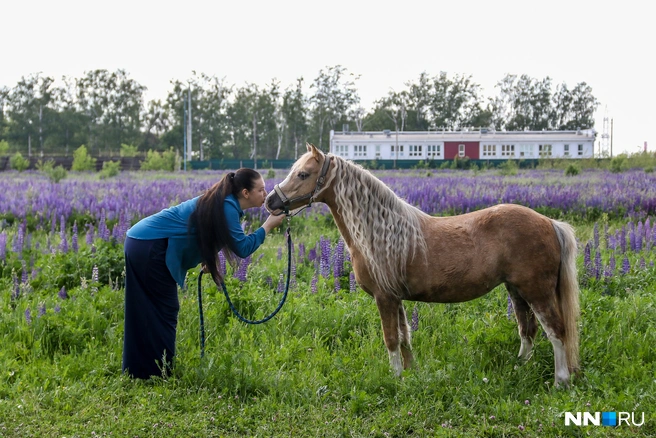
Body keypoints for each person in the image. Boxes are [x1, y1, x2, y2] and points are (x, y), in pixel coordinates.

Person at [122, 168, 285, 379]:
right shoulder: (227, 207)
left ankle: (140, 370)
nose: (265, 195)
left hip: (140, 241)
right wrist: (267, 226)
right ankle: (157, 372)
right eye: (261, 190)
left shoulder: (225, 203)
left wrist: (209, 257)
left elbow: (206, 230)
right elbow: (242, 248)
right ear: (246, 193)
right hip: (150, 245)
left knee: (145, 308)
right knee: (165, 309)